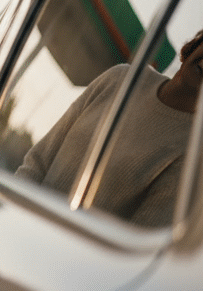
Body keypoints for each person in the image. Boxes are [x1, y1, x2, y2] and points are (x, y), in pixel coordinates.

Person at [17, 27, 203, 226]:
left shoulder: (193, 155)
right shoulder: (121, 78)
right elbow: (37, 162)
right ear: (197, 43)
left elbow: (133, 243)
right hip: (14, 224)